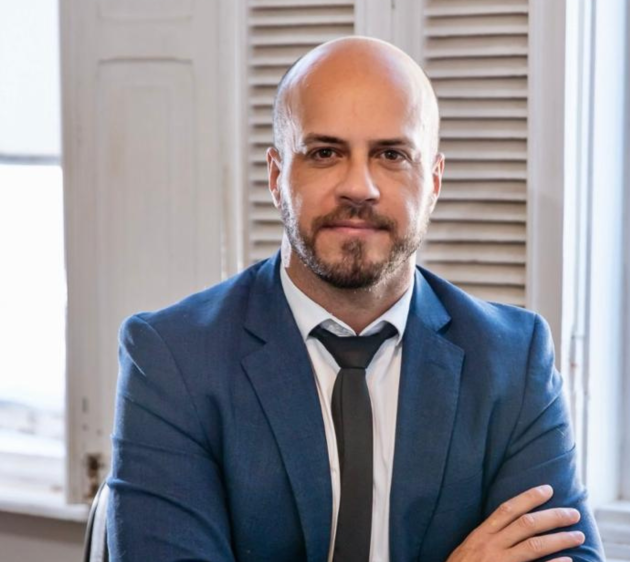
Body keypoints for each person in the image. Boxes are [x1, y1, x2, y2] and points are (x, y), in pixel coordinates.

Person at [107, 36, 604, 562]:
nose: (359, 187)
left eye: (391, 155)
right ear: (277, 177)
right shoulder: (173, 357)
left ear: (433, 182)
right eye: (325, 153)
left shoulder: (512, 358)